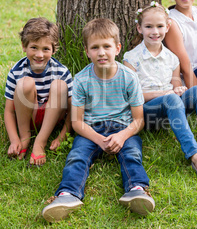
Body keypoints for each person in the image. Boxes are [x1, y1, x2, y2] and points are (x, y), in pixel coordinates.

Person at [42, 18, 154, 223]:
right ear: (87, 51)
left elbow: (138, 120)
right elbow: (77, 122)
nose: (101, 52)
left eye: (106, 46)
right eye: (95, 47)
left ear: (117, 48)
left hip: (123, 128)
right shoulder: (82, 80)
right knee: (77, 156)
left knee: (132, 153)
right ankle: (67, 194)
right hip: (91, 129)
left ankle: (137, 190)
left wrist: (121, 136)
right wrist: (99, 140)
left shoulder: (129, 77)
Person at [123, 1, 197, 182]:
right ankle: (195, 155)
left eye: (160, 26)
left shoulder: (172, 58)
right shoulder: (131, 59)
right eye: (148, 27)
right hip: (148, 113)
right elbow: (133, 98)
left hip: (173, 107)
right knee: (171, 99)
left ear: (167, 26)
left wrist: (178, 89)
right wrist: (166, 94)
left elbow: (176, 82)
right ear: (139, 28)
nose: (155, 31)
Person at [4, 17, 73, 166]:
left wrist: (62, 136)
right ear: (24, 46)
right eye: (34, 47)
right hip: (28, 114)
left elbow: (73, 109)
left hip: (53, 116)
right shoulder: (16, 72)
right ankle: (25, 138)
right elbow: (9, 111)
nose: (39, 55)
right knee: (25, 83)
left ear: (54, 49)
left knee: (59, 85)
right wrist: (14, 139)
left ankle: (40, 142)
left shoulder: (61, 71)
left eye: (46, 49)